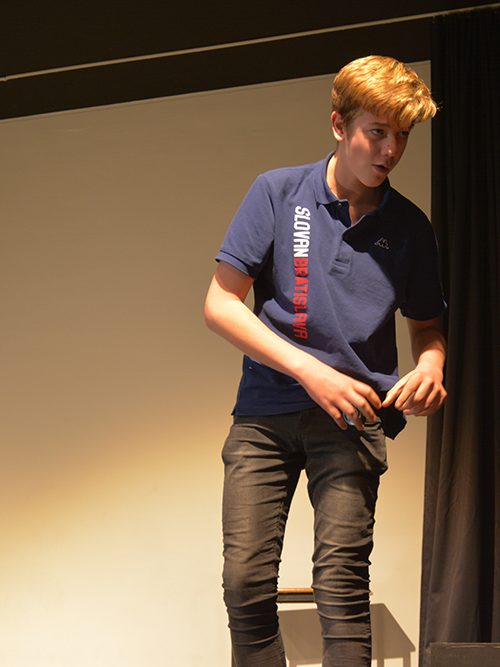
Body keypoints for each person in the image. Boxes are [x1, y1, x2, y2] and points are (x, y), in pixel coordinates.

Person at [204, 55, 447, 667]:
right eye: (377, 132)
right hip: (264, 415)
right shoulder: (278, 191)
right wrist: (311, 371)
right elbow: (220, 305)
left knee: (342, 587)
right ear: (339, 125)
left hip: (353, 419)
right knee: (245, 584)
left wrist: (432, 366)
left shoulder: (411, 227)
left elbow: (427, 328)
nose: (390, 150)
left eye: (402, 136)